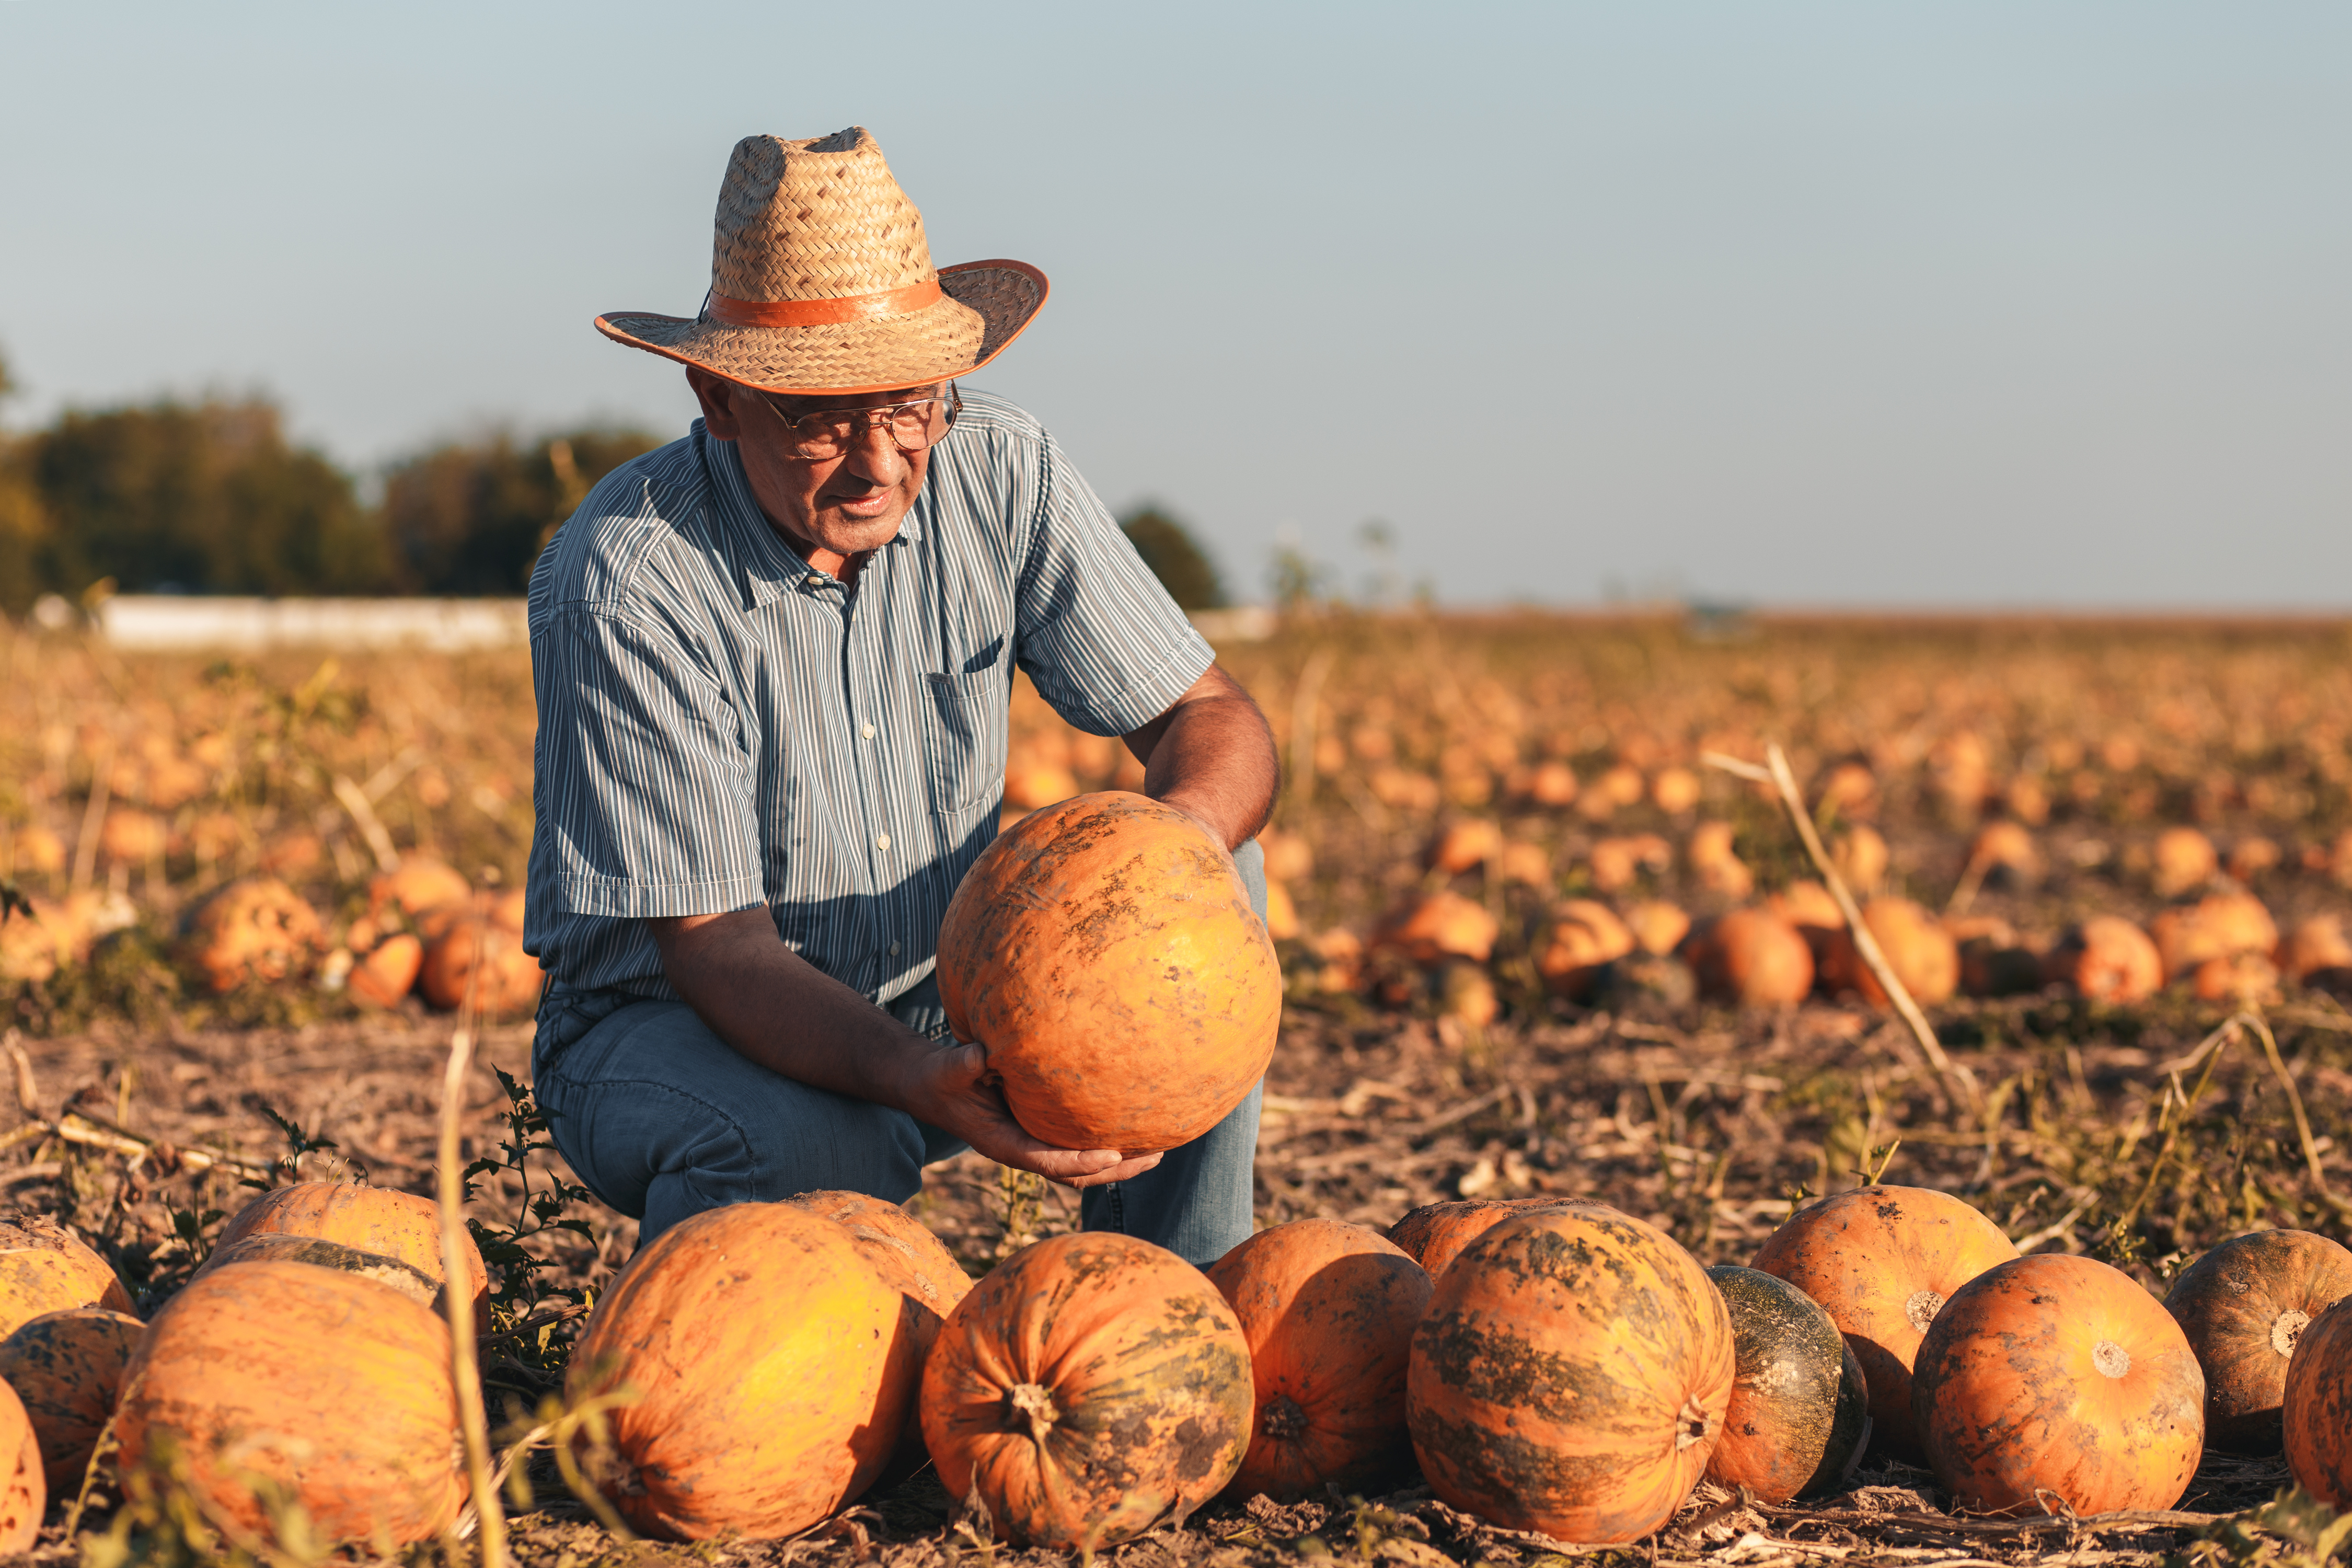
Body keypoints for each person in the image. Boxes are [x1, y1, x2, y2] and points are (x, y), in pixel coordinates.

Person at [522, 128, 1278, 1266]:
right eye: (819, 417)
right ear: (719, 399)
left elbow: (1211, 721)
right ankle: (700, 1388)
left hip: (951, 991)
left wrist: (1163, 869)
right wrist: (916, 1082)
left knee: (1209, 881)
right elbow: (718, 949)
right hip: (679, 1027)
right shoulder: (631, 575)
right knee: (813, 1147)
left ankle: (1175, 1300)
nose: (880, 463)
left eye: (910, 405)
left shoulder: (1003, 472)